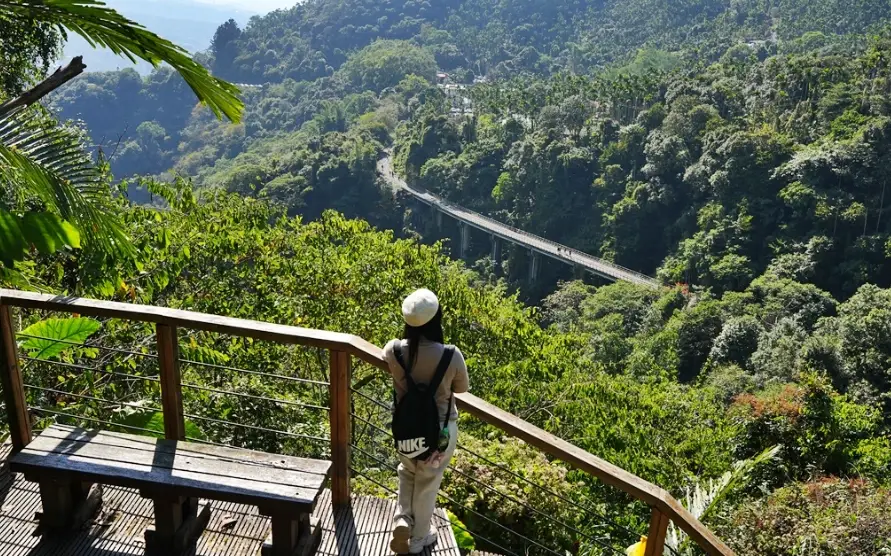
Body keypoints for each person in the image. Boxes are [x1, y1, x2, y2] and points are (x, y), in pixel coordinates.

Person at [383, 289, 469, 554]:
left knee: (407, 471)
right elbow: (462, 388)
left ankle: (402, 519)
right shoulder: (450, 355)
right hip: (441, 430)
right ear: (436, 319)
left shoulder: (394, 350)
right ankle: (419, 537)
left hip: (406, 427)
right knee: (428, 481)